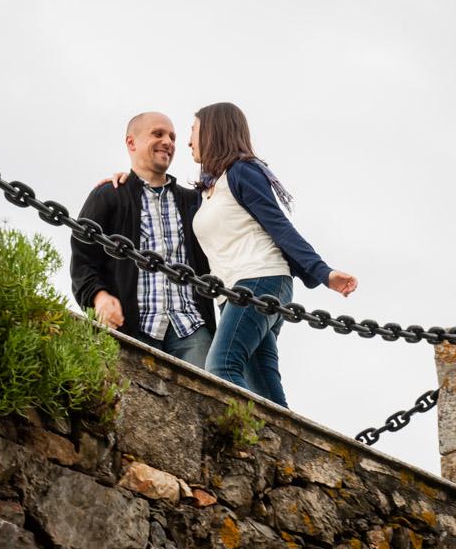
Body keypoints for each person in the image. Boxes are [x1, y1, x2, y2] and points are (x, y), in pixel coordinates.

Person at [189, 102, 357, 407]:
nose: (189, 141)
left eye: (194, 130)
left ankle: (248, 443)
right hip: (231, 292)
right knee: (263, 386)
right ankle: (287, 452)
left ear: (213, 132)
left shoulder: (241, 172)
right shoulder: (207, 192)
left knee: (221, 366)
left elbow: (278, 226)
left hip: (260, 280)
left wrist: (323, 272)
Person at [70, 112, 216, 368]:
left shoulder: (193, 201)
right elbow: (83, 259)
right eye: (157, 134)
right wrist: (99, 297)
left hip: (192, 327)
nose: (168, 142)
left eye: (172, 136)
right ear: (131, 143)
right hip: (134, 324)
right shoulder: (109, 195)